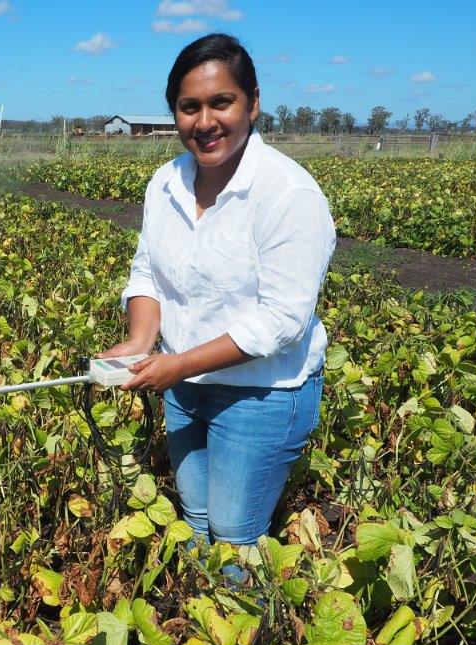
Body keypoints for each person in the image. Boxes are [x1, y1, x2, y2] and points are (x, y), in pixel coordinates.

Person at [99, 33, 335, 581]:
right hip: (183, 388)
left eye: (220, 102)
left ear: (252, 103)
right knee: (197, 518)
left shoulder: (288, 194)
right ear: (175, 114)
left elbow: (281, 321)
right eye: (189, 107)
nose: (205, 121)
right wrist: (140, 341)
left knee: (234, 534)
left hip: (262, 392)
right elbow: (147, 273)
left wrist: (176, 364)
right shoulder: (166, 184)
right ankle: (203, 635)